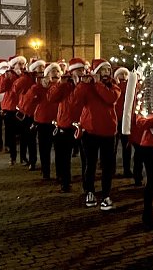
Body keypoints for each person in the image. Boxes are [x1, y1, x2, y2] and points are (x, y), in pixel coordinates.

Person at [74, 58, 121, 210]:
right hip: (90, 131)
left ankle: (106, 195)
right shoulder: (88, 86)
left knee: (107, 166)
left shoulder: (114, 86)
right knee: (90, 164)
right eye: (103, 70)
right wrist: (83, 84)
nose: (106, 73)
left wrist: (98, 83)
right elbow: (77, 99)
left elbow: (110, 98)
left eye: (108, 70)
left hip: (108, 131)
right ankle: (89, 191)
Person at [48, 58, 87, 193]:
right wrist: (60, 85)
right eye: (78, 70)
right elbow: (52, 98)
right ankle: (65, 182)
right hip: (66, 124)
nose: (81, 73)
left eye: (82, 70)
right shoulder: (65, 85)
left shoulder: (86, 84)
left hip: (82, 124)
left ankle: (86, 183)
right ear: (71, 72)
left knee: (86, 157)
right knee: (64, 157)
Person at [0, 55, 28, 166]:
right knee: (11, 134)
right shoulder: (7, 75)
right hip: (10, 108)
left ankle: (23, 157)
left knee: (24, 134)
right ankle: (13, 156)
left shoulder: (25, 75)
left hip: (23, 107)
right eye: (19, 64)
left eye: (23, 64)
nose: (22, 66)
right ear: (13, 65)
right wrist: (6, 78)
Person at [31, 63, 62, 180]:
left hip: (59, 121)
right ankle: (46, 172)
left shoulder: (63, 86)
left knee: (60, 150)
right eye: (52, 71)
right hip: (44, 121)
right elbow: (32, 98)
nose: (56, 73)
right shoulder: (41, 86)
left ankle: (60, 173)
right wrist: (39, 86)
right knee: (44, 149)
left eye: (58, 71)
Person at [16, 59, 47, 170]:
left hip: (39, 112)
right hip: (28, 112)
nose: (41, 72)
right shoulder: (26, 79)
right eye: (39, 70)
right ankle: (30, 160)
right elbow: (17, 89)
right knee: (29, 138)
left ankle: (38, 162)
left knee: (37, 139)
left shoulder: (45, 80)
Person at [113, 67, 135, 179]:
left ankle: (126, 169)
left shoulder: (130, 86)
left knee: (126, 146)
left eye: (126, 74)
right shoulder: (115, 86)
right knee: (114, 146)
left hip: (126, 119)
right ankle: (112, 168)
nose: (124, 76)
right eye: (121, 74)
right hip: (116, 119)